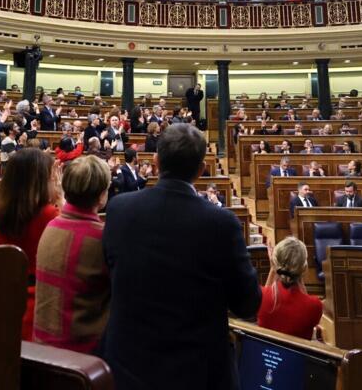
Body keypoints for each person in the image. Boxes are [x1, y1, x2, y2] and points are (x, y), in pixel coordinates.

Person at [102, 123, 260, 389]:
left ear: (155, 161)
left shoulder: (119, 209)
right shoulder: (221, 223)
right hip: (198, 374)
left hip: (128, 369)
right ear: (201, 170)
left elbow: (110, 273)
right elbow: (247, 304)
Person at [34, 154, 111, 352]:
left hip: (42, 345)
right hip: (82, 353)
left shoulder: (52, 225)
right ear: (102, 196)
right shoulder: (102, 237)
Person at [0, 148, 62, 340]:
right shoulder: (49, 214)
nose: (54, 182)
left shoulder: (0, 215)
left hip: (10, 295)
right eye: (51, 178)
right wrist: (61, 197)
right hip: (40, 301)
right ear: (39, 182)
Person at [257, 236, 323, 340]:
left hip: (266, 355)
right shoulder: (315, 305)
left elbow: (264, 301)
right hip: (298, 356)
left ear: (275, 263)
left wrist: (273, 270)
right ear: (304, 268)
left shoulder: (260, 295)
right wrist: (299, 275)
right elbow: (304, 304)